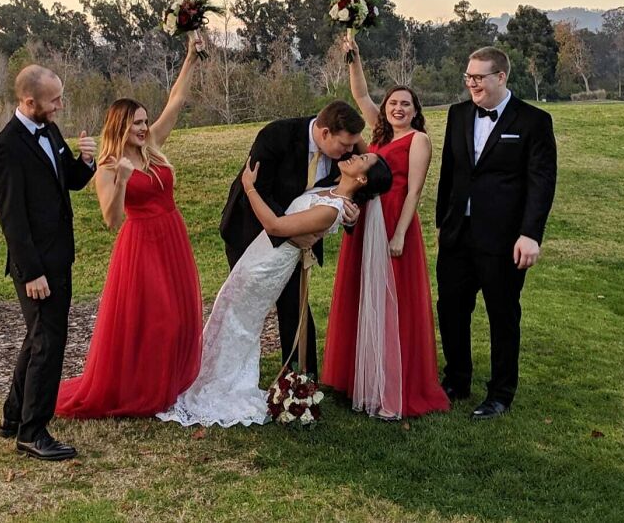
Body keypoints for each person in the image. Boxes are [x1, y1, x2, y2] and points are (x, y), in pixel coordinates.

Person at [159, 152, 393, 427]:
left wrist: (249, 187)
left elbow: (275, 225)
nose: (354, 155)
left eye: (362, 159)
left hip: (269, 264)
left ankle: (219, 385)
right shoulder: (331, 189)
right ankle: (202, 374)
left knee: (239, 322)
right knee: (227, 309)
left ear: (362, 178)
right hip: (261, 252)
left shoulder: (332, 209)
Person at [55, 39, 204, 418]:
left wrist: (190, 57)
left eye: (144, 121)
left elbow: (177, 101)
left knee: (183, 316)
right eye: (136, 123)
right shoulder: (106, 166)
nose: (143, 127)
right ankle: (143, 391)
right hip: (140, 243)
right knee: (160, 320)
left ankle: (167, 385)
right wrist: (122, 180)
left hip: (172, 235)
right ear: (121, 125)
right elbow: (111, 219)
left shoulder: (152, 144)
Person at [322, 39, 449, 419]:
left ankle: (393, 379)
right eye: (393, 102)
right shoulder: (376, 136)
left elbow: (414, 192)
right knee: (363, 293)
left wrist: (399, 235)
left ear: (415, 111)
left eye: (405, 104)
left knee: (392, 300)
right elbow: (359, 93)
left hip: (395, 221)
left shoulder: (419, 140)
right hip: (366, 219)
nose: (397, 108)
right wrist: (354, 56)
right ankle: (360, 375)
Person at [436, 46, 557, 420]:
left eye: (478, 77)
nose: (471, 84)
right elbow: (449, 173)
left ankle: (501, 393)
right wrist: (443, 222)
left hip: (504, 240)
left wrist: (530, 235)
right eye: (468, 77)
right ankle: (456, 380)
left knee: (503, 316)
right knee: (452, 309)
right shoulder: (457, 115)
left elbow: (541, 182)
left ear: (501, 77)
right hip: (458, 235)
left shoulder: (534, 121)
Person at [0, 65, 96, 461]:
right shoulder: (6, 147)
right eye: (54, 100)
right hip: (36, 266)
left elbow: (66, 178)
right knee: (49, 343)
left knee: (39, 337)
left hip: (58, 256)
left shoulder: (48, 129)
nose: (60, 106)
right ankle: (33, 432)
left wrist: (84, 162)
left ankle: (14, 417)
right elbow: (11, 218)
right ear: (28, 101)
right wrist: (31, 271)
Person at [219, 101, 365, 377]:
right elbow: (259, 190)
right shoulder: (276, 135)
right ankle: (231, 373)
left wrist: (351, 215)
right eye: (344, 146)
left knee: (295, 308)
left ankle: (300, 383)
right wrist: (291, 231)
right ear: (324, 134)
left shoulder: (346, 151)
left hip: (296, 243)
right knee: (245, 306)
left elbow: (357, 188)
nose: (349, 152)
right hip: (249, 233)